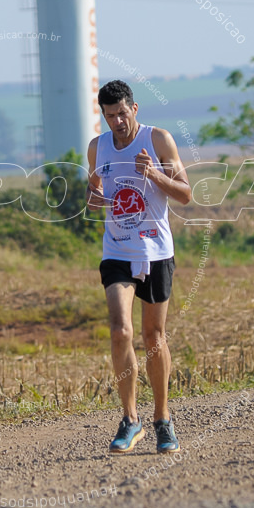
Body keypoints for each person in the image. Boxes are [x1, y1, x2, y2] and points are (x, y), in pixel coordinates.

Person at [86, 80, 191, 454]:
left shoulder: (158, 140)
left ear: (135, 108)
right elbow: (93, 198)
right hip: (116, 250)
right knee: (119, 331)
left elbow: (185, 193)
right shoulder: (97, 147)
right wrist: (93, 197)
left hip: (156, 250)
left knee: (153, 338)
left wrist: (155, 175)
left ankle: (163, 419)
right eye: (110, 115)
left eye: (122, 113)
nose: (117, 122)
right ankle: (130, 420)